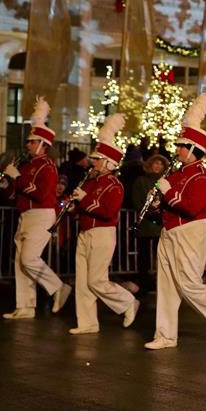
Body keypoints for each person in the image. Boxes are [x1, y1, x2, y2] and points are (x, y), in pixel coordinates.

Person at [145, 93, 206, 350]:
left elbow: (192, 207)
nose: (176, 150)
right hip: (170, 230)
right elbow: (169, 202)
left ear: (194, 149)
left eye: (181, 146)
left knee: (188, 283)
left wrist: (167, 193)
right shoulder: (176, 174)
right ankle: (165, 335)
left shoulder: (202, 179)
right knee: (166, 284)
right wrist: (155, 203)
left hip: (192, 230)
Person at [68, 114, 140, 334]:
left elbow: (107, 212)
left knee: (96, 280)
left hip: (102, 233)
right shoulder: (91, 182)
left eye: (98, 159)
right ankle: (87, 323)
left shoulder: (115, 185)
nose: (93, 162)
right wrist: (73, 208)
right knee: (82, 282)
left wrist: (84, 200)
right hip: (85, 232)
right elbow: (86, 205)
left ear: (109, 162)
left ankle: (128, 302)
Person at [2, 97, 72, 319]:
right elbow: (17, 192)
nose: (28, 145)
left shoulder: (48, 167)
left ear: (43, 144)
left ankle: (59, 287)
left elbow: (42, 194)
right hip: (26, 215)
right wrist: (6, 184)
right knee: (20, 264)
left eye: (32, 142)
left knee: (29, 259)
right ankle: (25, 306)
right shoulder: (29, 165)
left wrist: (19, 178)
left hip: (41, 215)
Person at [131, 154, 170, 295]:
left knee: (161, 257)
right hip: (146, 225)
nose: (157, 166)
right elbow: (137, 201)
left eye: (160, 164)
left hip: (160, 226)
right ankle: (144, 283)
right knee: (144, 257)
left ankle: (161, 283)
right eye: (155, 163)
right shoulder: (141, 181)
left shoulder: (165, 182)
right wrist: (149, 215)